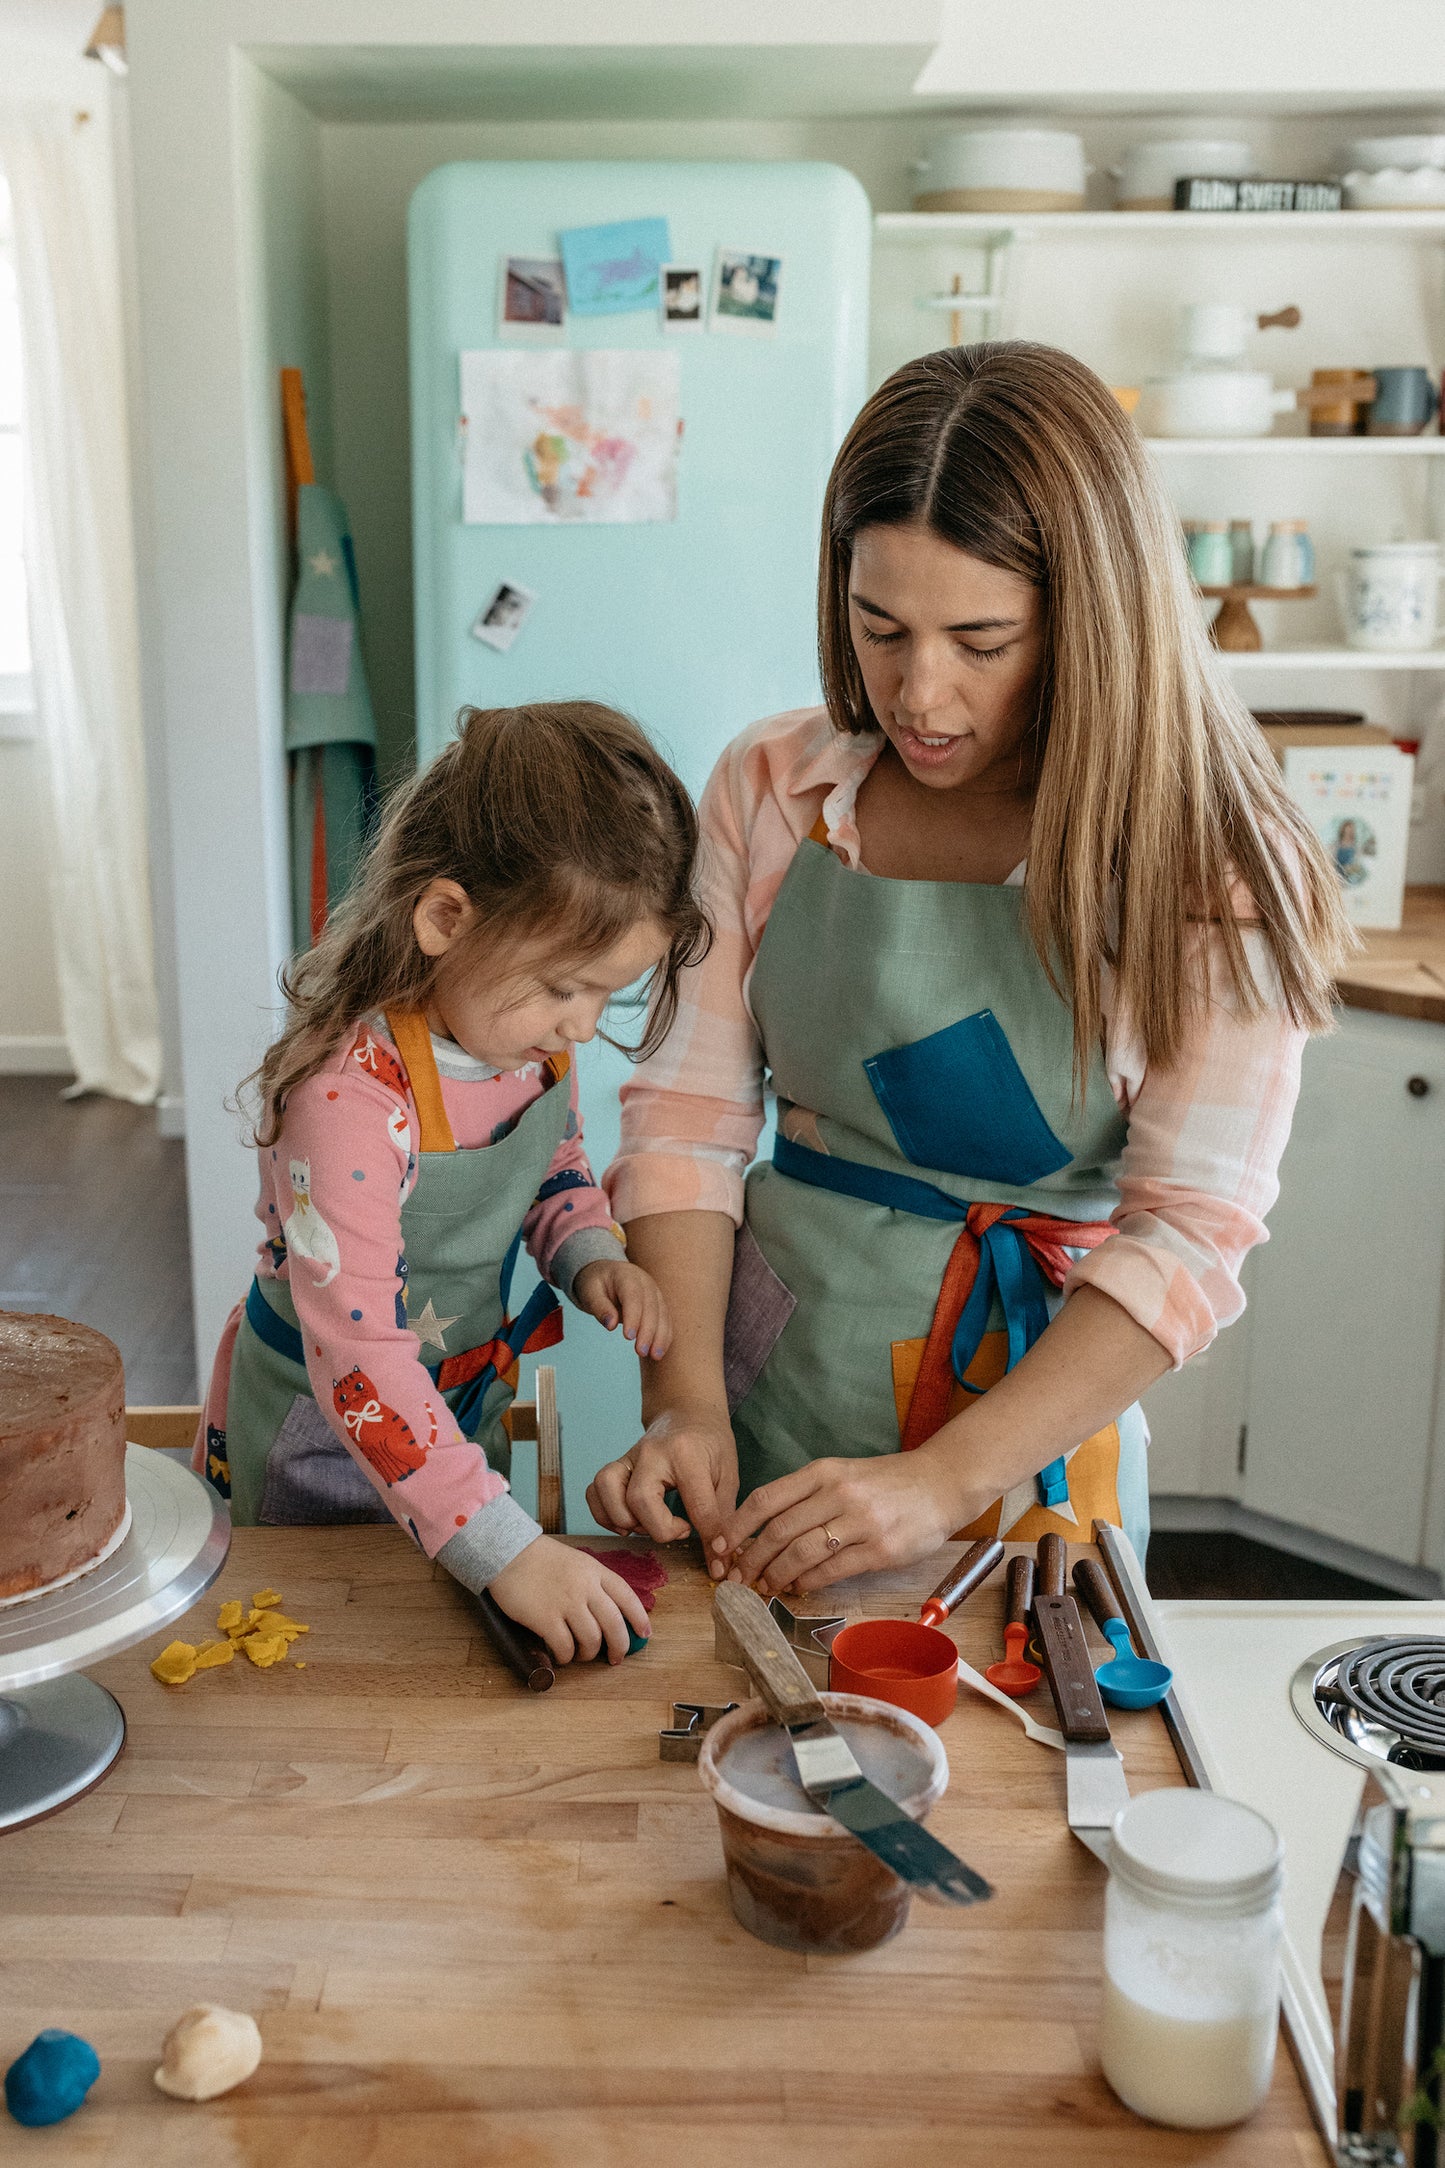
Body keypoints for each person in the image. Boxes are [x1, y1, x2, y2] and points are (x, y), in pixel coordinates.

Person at [587, 341, 1351, 1597]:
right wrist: (683, 1409)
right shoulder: (775, 788)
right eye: (877, 626)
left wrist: (943, 1478)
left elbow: (1185, 1231)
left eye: (979, 640)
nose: (915, 693)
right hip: (769, 1391)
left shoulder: (1211, 861)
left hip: (1027, 1446)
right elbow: (687, 1115)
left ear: (1091, 620)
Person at [196, 702, 709, 1663]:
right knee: (321, 1668)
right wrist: (501, 1543)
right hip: (324, 1440)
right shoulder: (348, 1101)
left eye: (609, 991)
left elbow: (553, 1166)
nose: (584, 1026)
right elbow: (358, 1361)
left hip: (453, 1425)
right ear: (444, 918)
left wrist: (588, 1252)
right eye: (565, 986)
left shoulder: (522, 1048)